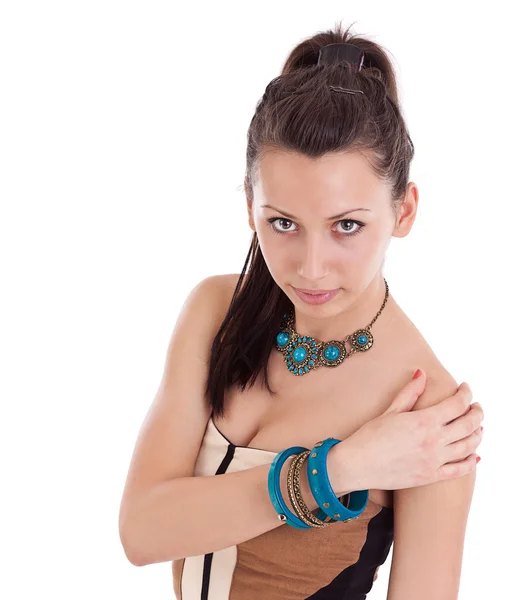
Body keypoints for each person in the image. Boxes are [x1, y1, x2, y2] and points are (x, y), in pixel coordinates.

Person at [118, 22, 485, 600]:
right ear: (249, 206)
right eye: (283, 223)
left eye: (347, 226)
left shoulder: (430, 415)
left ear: (405, 211)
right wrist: (337, 471)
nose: (311, 267)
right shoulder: (217, 310)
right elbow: (142, 531)